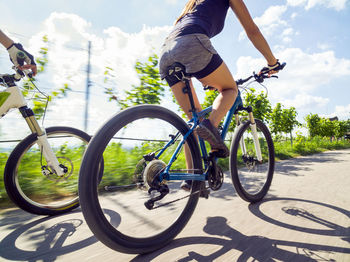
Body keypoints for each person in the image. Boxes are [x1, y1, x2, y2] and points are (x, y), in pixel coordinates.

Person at [159, 0, 283, 190]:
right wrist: (272, 62)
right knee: (230, 89)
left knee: (194, 120)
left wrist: (207, 79)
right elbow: (252, 30)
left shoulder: (192, 5)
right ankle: (211, 125)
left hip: (166, 52)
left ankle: (192, 179)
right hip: (191, 43)